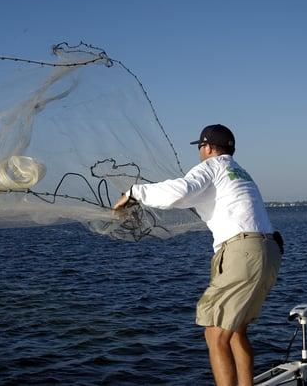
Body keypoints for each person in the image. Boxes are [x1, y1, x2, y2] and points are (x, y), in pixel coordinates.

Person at [114, 124, 282, 386]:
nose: (200, 152)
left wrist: (135, 192)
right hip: (269, 251)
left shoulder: (211, 167)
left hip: (242, 252)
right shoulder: (240, 172)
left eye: (201, 147)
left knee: (214, 335)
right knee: (236, 330)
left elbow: (180, 191)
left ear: (209, 147)